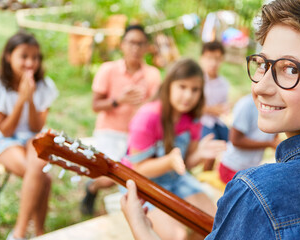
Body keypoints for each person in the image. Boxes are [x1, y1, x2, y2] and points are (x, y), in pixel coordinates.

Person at [120, 0, 300, 239]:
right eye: (262, 64)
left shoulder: (259, 196)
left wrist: (141, 228)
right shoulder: (150, 115)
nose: (260, 86)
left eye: (291, 69)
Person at [122, 58, 226, 240]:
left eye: (195, 89)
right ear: (169, 85)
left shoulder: (193, 118)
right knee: (178, 236)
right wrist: (168, 161)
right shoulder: (147, 117)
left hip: (176, 179)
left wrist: (199, 154)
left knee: (214, 224)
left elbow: (184, 164)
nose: (188, 96)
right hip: (143, 183)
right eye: (182, 87)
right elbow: (139, 169)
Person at [80, 24, 162, 215]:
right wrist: (119, 100)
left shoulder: (153, 74)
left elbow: (154, 107)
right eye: (131, 42)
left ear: (146, 47)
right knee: (113, 175)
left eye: (140, 43)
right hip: (109, 132)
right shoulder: (107, 70)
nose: (135, 48)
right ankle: (92, 188)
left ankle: (126, 210)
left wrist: (145, 105)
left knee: (129, 175)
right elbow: (95, 105)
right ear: (122, 45)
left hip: (136, 137)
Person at [0, 31, 58, 240]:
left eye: (35, 57)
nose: (30, 63)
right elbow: (5, 130)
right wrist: (20, 100)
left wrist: (31, 99)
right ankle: (33, 233)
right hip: (3, 139)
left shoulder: (45, 86)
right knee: (42, 178)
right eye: (24, 56)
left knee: (38, 168)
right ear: (9, 57)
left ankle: (24, 234)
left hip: (31, 137)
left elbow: (36, 127)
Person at [218, 93, 280, 184]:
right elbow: (236, 140)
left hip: (250, 170)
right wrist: (269, 144)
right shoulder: (247, 104)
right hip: (231, 168)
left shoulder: (278, 107)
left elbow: (275, 139)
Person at [199, 41, 231, 171]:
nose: (213, 63)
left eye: (217, 59)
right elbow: (193, 107)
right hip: (201, 121)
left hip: (216, 121)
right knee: (211, 144)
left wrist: (221, 109)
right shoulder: (197, 80)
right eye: (209, 58)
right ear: (202, 58)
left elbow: (223, 107)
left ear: (222, 60)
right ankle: (205, 175)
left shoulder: (223, 84)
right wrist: (213, 109)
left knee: (232, 141)